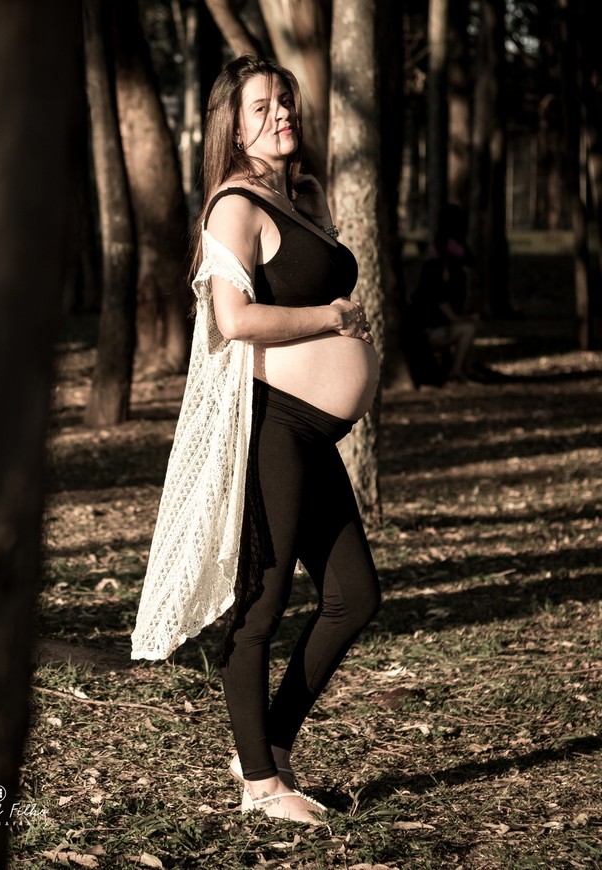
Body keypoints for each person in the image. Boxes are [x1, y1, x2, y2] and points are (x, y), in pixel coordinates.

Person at [130, 55, 381, 825]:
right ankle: (262, 787)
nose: (281, 114)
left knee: (354, 597)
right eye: (262, 106)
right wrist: (331, 319)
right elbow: (232, 320)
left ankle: (264, 747)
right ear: (233, 128)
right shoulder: (233, 206)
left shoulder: (298, 196)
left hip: (312, 434)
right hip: (272, 425)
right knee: (261, 607)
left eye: (286, 101)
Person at [408, 203, 481, 383]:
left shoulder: (452, 269)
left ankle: (465, 368)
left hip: (437, 326)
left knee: (470, 325)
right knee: (468, 329)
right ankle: (456, 371)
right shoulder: (436, 269)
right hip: (428, 332)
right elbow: (442, 304)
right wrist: (465, 319)